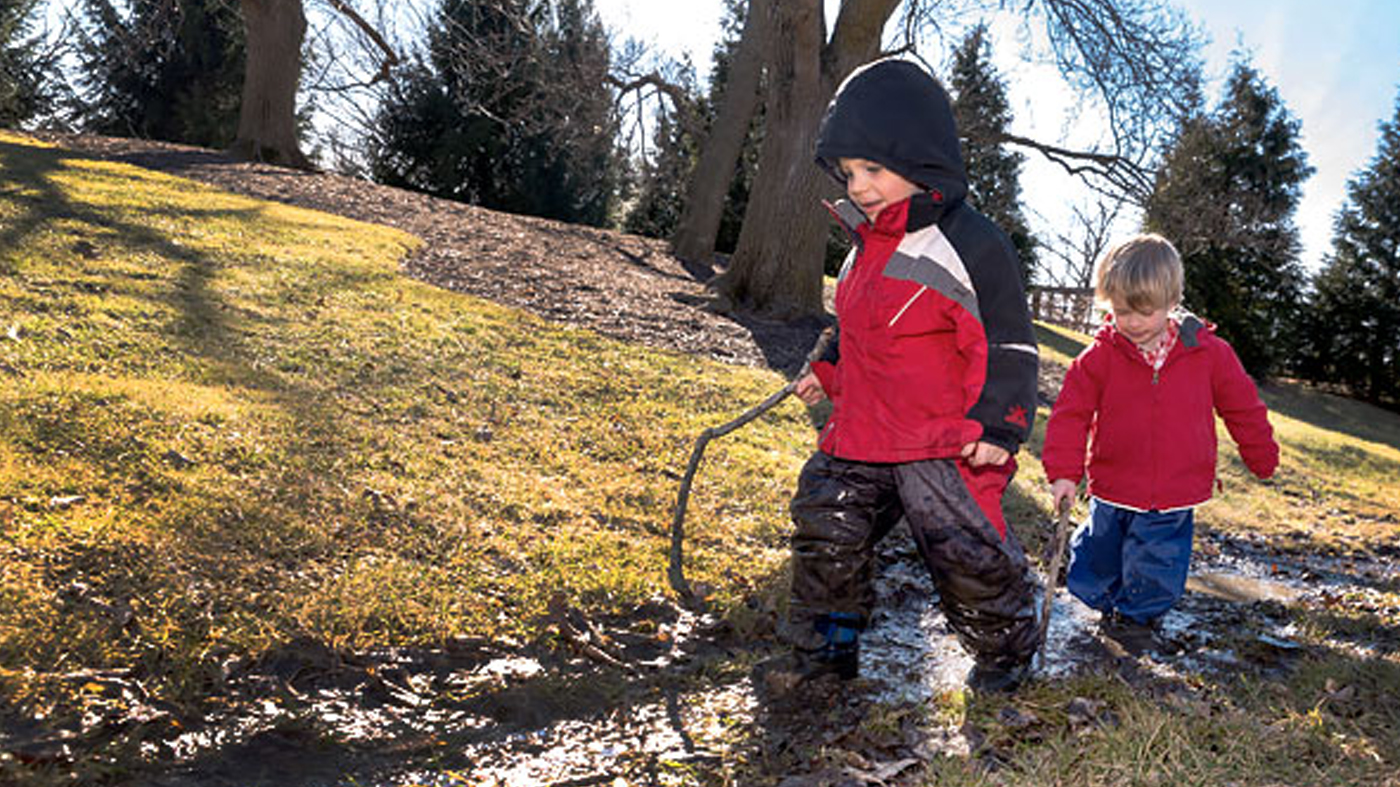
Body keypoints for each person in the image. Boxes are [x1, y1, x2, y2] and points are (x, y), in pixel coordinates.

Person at [770, 58, 1043, 694]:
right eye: (848, 174)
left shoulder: (970, 242)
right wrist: (829, 371)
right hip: (860, 434)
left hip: (940, 441)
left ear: (918, 159)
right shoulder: (865, 246)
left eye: (873, 169)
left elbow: (1011, 342)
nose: (859, 186)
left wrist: (1000, 424)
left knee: (963, 553)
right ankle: (826, 649)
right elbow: (857, 329)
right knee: (826, 524)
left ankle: (1005, 651)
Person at [1041, 233, 1279, 654]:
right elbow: (1070, 416)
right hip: (1113, 484)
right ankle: (1100, 600)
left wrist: (1260, 453)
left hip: (1173, 490)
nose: (1131, 322)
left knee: (1156, 562)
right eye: (1120, 311)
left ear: (1172, 300)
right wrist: (1063, 473)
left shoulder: (1209, 354)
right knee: (1099, 553)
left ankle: (1137, 619)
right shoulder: (1099, 358)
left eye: (1143, 312)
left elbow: (1243, 407)